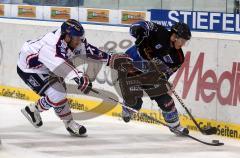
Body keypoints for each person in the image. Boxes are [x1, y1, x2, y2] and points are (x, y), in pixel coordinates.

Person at [17, 19, 108, 136]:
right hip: (29, 68)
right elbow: (61, 65)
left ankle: (33, 109)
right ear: (67, 37)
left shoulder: (68, 40)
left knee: (58, 93)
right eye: (76, 38)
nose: (79, 41)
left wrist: (110, 59)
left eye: (80, 38)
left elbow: (90, 51)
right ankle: (69, 123)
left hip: (45, 65)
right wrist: (79, 77)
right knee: (57, 93)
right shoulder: (51, 46)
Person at [109, 21, 191, 135]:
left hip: (150, 76)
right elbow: (136, 26)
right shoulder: (160, 32)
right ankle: (128, 107)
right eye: (182, 40)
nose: (183, 44)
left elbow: (167, 73)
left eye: (185, 42)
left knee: (166, 101)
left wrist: (164, 77)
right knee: (136, 104)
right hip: (130, 68)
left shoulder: (178, 57)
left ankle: (175, 126)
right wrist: (140, 34)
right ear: (175, 36)